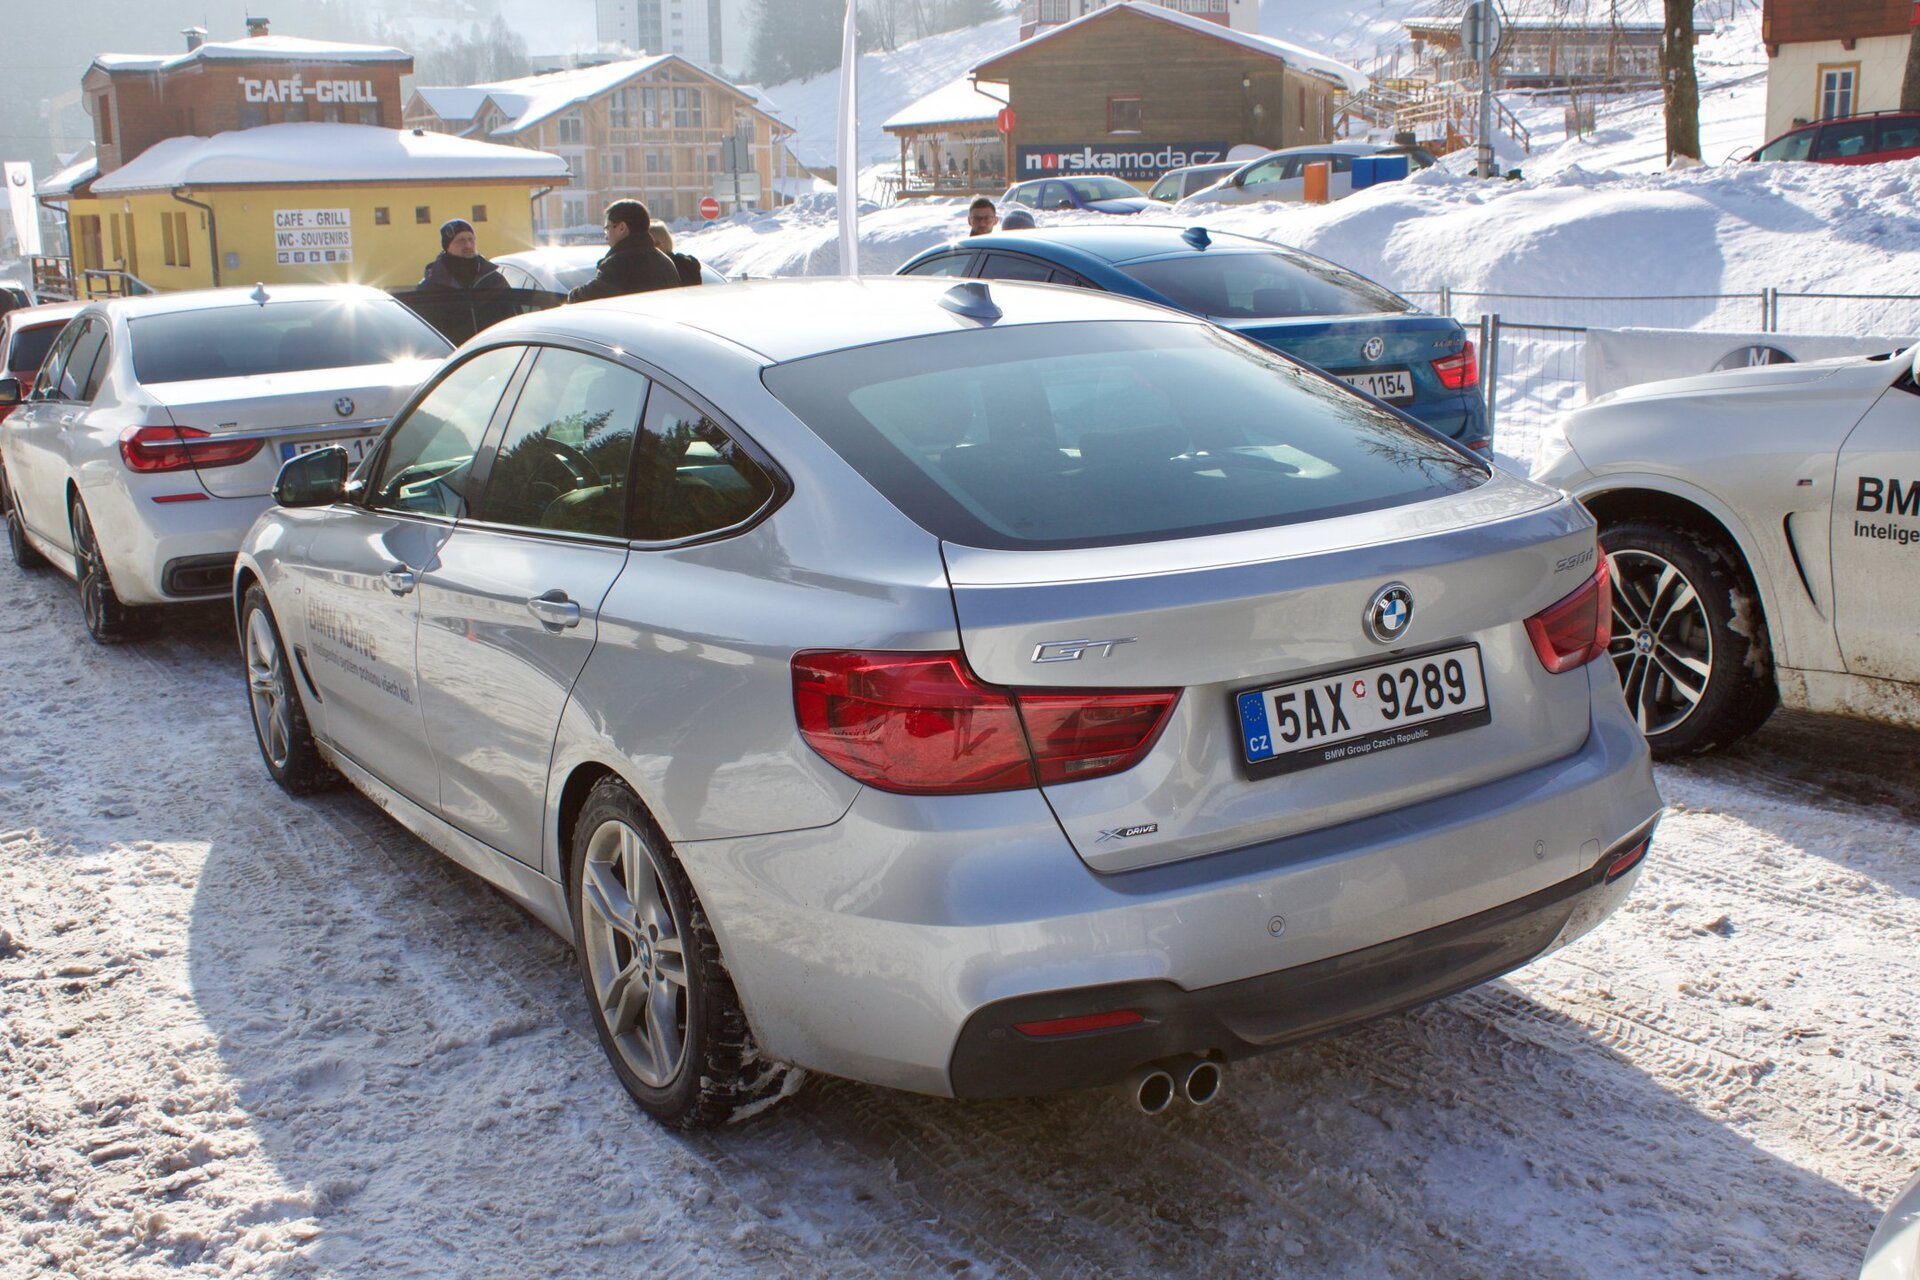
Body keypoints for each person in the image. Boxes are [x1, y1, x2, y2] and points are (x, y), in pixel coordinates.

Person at [567, 200, 680, 303]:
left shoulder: (618, 266)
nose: (606, 236)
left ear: (621, 228)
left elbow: (583, 298)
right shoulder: (666, 263)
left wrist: (572, 295)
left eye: (607, 228)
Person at [418, 219, 507, 290]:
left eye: (471, 239)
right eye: (461, 240)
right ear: (447, 247)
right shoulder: (432, 284)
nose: (468, 245)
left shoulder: (493, 279)